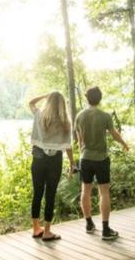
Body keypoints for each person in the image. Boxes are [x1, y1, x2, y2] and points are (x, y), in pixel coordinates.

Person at [75, 86, 129, 240]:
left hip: (85, 158)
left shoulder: (79, 116)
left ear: (87, 98)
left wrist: (82, 153)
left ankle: (89, 224)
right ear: (100, 98)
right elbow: (114, 134)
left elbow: (79, 141)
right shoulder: (105, 116)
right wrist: (124, 144)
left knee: (85, 191)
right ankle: (105, 230)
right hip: (101, 159)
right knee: (104, 193)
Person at [28, 91, 75, 241]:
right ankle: (47, 231)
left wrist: (44, 95)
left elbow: (31, 103)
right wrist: (72, 163)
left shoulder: (39, 115)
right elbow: (68, 146)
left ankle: (36, 228)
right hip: (55, 161)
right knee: (50, 195)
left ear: (48, 102)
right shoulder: (64, 122)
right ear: (62, 104)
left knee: (37, 193)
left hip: (38, 158)